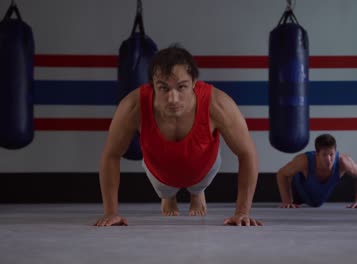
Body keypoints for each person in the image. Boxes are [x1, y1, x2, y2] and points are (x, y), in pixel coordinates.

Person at [94, 45, 262, 226]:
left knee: (198, 185)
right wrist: (110, 212)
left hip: (205, 168)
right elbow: (111, 154)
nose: (173, 98)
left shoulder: (218, 103)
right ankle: (169, 195)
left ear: (194, 82)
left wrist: (242, 212)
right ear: (152, 85)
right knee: (165, 190)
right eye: (164, 88)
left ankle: (197, 192)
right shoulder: (133, 106)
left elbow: (247, 153)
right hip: (158, 173)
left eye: (182, 87)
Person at [276, 133, 357, 209]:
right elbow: (281, 173)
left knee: (316, 203)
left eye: (331, 154)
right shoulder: (304, 161)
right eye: (324, 155)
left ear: (335, 152)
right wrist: (287, 201)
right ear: (317, 154)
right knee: (294, 172)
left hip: (318, 198)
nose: (329, 159)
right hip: (298, 193)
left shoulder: (343, 162)